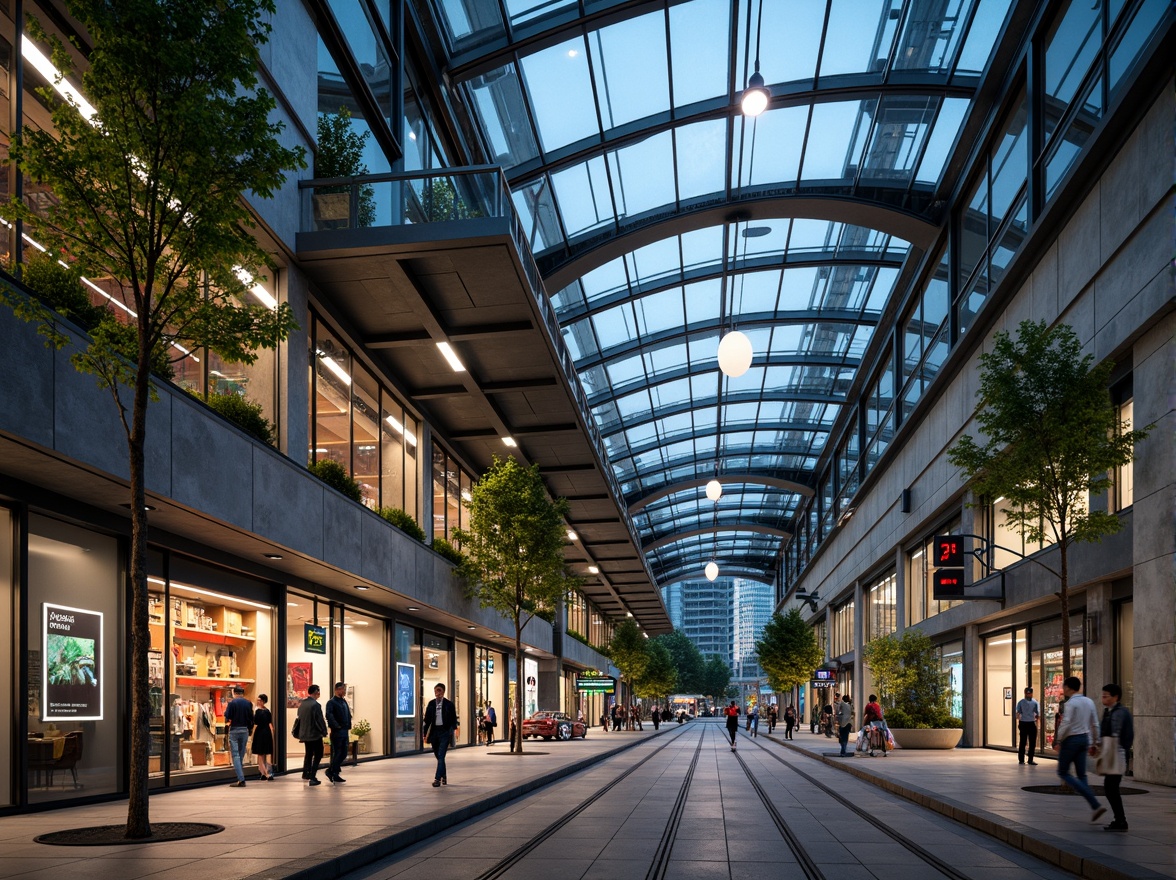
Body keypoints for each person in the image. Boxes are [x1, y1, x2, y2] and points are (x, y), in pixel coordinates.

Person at [1054, 676, 1106, 823]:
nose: (1063, 690)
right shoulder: (1089, 702)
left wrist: (1058, 739)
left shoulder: (1071, 703)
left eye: (1064, 687)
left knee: (1063, 772)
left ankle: (1094, 802)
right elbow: (1095, 724)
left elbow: (1066, 722)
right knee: (1082, 775)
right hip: (1084, 739)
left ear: (1069, 688)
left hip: (1071, 740)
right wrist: (1096, 742)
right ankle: (1094, 806)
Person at [1099, 683, 1134, 831]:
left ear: (1115, 697)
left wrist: (1119, 750)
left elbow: (1122, 735)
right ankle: (1119, 820)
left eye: (1106, 696)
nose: (1103, 698)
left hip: (1117, 754)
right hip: (1111, 753)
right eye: (1103, 695)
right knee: (1110, 788)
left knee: (1111, 788)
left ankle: (1121, 821)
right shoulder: (1109, 711)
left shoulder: (1121, 712)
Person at [421, 683, 457, 786]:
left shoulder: (449, 704)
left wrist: (453, 730)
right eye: (436, 691)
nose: (437, 693)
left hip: (444, 732)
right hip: (434, 732)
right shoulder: (431, 704)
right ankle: (444, 776)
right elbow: (427, 720)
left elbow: (453, 719)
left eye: (439, 691)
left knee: (441, 755)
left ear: (443, 691)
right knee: (438, 755)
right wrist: (424, 733)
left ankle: (437, 779)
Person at [296, 684, 328, 786]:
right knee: (318, 754)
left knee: (309, 753)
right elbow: (319, 720)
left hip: (305, 734)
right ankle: (313, 775)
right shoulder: (315, 705)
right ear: (316, 692)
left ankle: (306, 773)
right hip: (314, 734)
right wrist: (324, 731)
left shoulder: (302, 704)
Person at [224, 685, 254, 787]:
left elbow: (228, 716)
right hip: (245, 730)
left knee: (235, 755)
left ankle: (241, 779)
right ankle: (240, 778)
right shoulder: (248, 703)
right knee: (241, 754)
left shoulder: (232, 703)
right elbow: (251, 717)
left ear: (234, 693)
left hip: (235, 730)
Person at [325, 681, 352, 784]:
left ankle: (332, 771)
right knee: (338, 752)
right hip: (337, 731)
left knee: (344, 753)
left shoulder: (343, 701)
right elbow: (329, 716)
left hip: (344, 730)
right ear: (337, 690)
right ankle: (333, 772)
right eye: (343, 689)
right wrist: (336, 726)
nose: (344, 691)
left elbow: (347, 714)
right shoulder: (331, 702)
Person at [250, 693, 275, 781]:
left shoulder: (257, 712)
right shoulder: (268, 711)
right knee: (267, 752)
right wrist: (272, 735)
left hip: (259, 733)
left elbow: (255, 724)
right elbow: (270, 724)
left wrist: (252, 735)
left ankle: (263, 773)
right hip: (267, 733)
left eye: (259, 700)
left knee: (260, 754)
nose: (258, 701)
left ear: (263, 701)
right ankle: (269, 772)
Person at [1015, 687, 1040, 765]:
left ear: (1032, 693)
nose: (1028, 695)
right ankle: (1021, 759)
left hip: (1031, 723)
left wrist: (1037, 721)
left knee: (1032, 742)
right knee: (1023, 741)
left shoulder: (1035, 702)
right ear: (1025, 693)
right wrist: (1018, 719)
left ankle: (1030, 759)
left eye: (1029, 693)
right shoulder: (1021, 702)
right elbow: (1017, 712)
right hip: (1023, 723)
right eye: (1027, 693)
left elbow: (1038, 713)